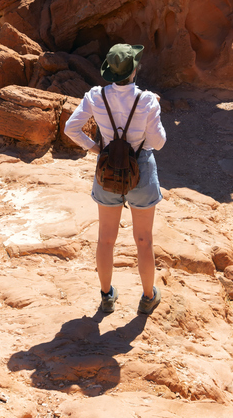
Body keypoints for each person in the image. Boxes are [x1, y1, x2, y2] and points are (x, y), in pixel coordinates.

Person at [64, 43, 167, 316]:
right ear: (134, 71)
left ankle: (107, 297)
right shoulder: (147, 100)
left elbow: (71, 128)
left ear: (109, 71)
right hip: (141, 169)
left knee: (105, 239)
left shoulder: (95, 96)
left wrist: (96, 148)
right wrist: (155, 109)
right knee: (143, 240)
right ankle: (148, 297)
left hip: (107, 169)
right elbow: (158, 143)